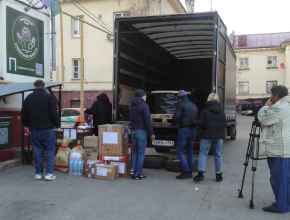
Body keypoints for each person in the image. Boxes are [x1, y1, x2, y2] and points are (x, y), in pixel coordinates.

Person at [257, 85, 290, 213]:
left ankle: (281, 206)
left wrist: (266, 106)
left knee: (278, 179)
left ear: (276, 95)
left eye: (271, 95)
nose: (270, 98)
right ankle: (287, 203)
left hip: (279, 149)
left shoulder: (279, 107)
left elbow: (262, 119)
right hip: (287, 148)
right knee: (287, 178)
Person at [21, 80, 60, 181]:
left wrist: (28, 125)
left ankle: (38, 173)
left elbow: (24, 114)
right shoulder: (49, 97)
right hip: (48, 129)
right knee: (50, 150)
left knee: (37, 150)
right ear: (44, 87)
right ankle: (49, 174)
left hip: (34, 129)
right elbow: (53, 113)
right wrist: (57, 124)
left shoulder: (28, 98)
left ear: (34, 86)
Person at [193, 93, 226, 182]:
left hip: (207, 135)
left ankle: (201, 173)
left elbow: (201, 124)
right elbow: (224, 124)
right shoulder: (221, 111)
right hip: (219, 136)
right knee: (218, 154)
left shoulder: (204, 111)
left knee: (203, 153)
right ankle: (219, 175)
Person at [171, 90, 198, 179]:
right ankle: (190, 171)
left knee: (180, 151)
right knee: (190, 151)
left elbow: (176, 117)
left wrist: (173, 122)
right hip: (193, 131)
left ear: (180, 99)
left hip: (185, 130)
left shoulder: (181, 105)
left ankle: (186, 171)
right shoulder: (194, 106)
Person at [129, 89, 155, 180]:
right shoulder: (144, 106)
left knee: (135, 151)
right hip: (141, 131)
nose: (146, 96)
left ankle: (133, 170)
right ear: (141, 96)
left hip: (132, 131)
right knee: (141, 152)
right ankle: (138, 173)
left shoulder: (131, 105)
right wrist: (151, 133)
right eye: (145, 95)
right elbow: (147, 121)